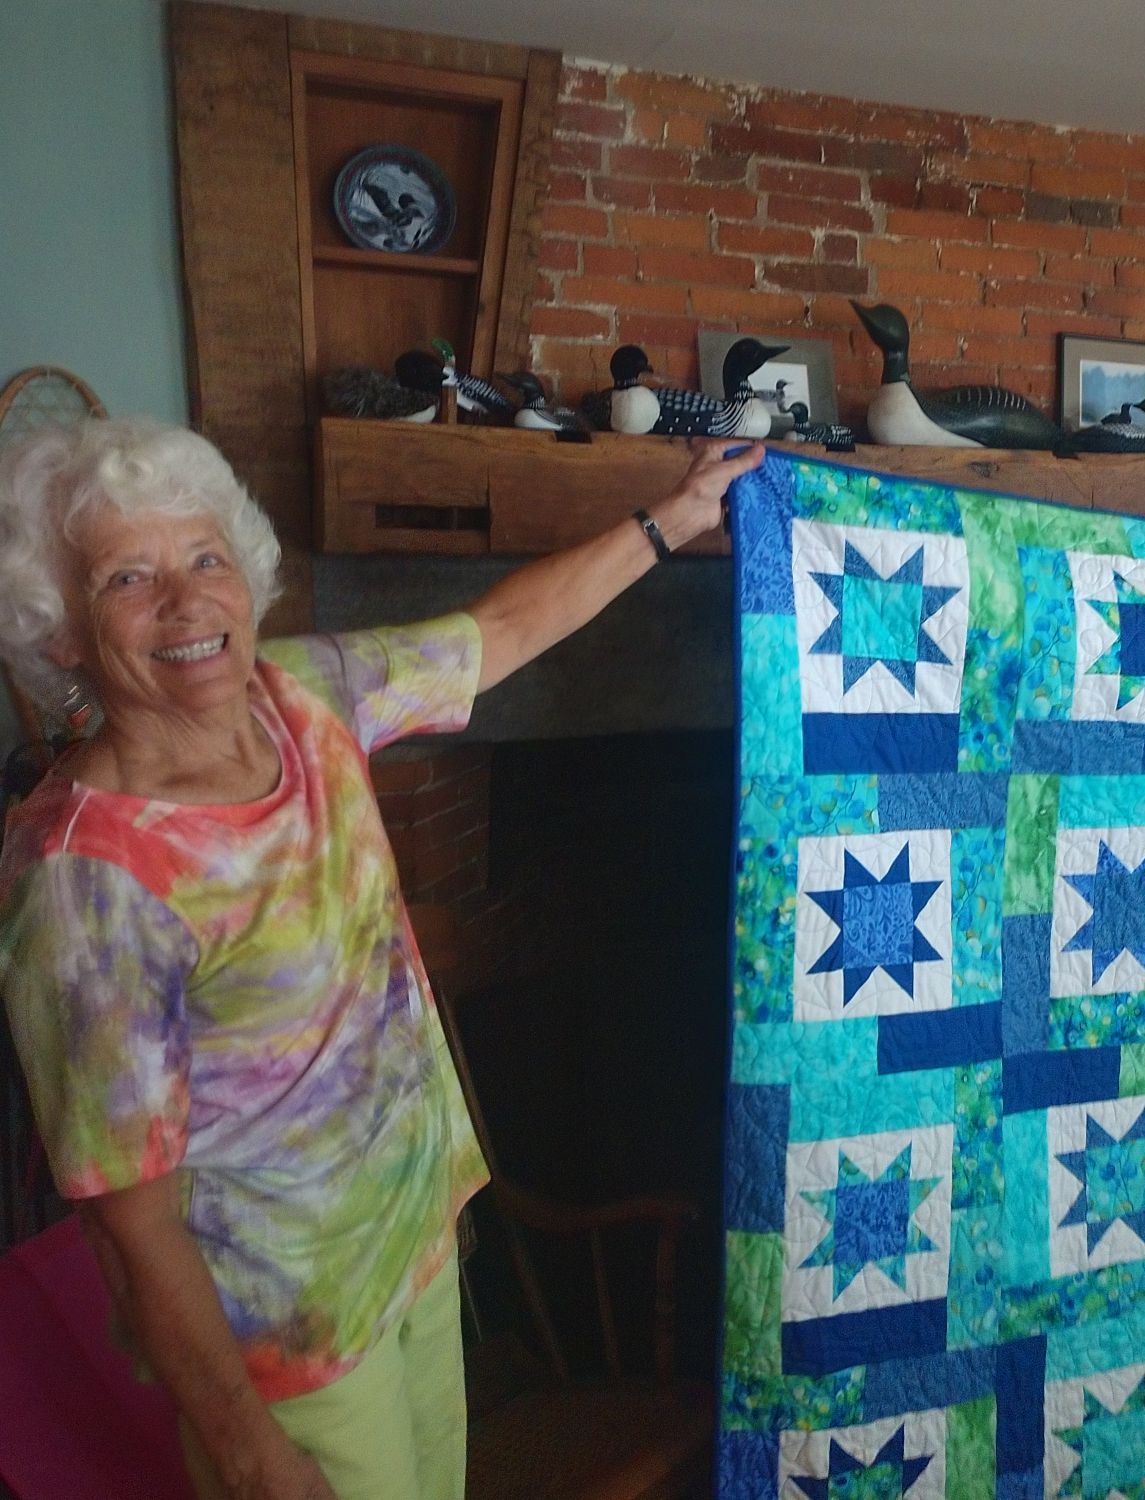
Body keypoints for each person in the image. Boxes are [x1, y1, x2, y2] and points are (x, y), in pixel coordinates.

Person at [0, 418, 762, 1500]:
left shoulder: (302, 696)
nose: (186, 601)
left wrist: (675, 519)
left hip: (412, 1250)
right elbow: (128, 1216)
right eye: (129, 576)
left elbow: (497, 632)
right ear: (64, 630)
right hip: (290, 1341)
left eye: (205, 557)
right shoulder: (84, 875)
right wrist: (249, 1452)